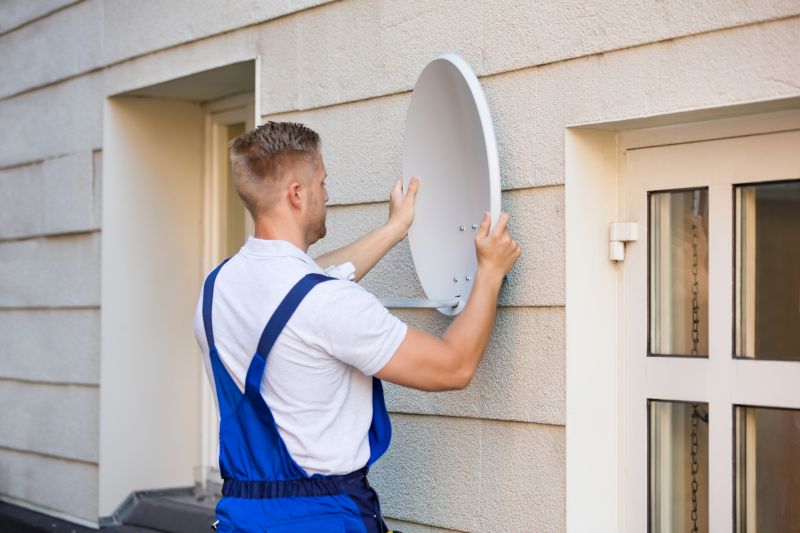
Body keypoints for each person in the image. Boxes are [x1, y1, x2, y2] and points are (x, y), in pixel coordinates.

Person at [193, 121, 520, 533]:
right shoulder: (327, 304)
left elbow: (308, 281)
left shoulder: (216, 288)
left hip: (241, 518)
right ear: (297, 194)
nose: (327, 195)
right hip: (323, 518)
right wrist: (489, 273)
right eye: (322, 183)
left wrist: (393, 230)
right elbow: (453, 367)